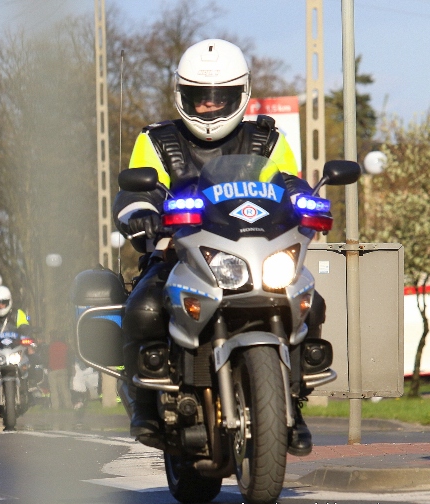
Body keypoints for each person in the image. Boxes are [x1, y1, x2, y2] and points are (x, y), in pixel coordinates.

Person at [113, 38, 321, 456]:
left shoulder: (268, 140)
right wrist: (140, 212)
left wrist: (306, 198)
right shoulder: (156, 140)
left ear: (240, 94)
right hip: (180, 252)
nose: (209, 106)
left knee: (309, 300)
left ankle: (293, 402)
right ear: (182, 95)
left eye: (220, 98)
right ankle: (144, 401)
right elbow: (137, 188)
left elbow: (288, 183)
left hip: (256, 253)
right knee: (145, 307)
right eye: (199, 97)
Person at [46, 331, 72, 410]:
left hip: (53, 370)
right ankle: (68, 406)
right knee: (65, 389)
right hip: (63, 369)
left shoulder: (50, 346)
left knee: (54, 390)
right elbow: (69, 357)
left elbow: (46, 357)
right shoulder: (65, 346)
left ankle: (55, 407)